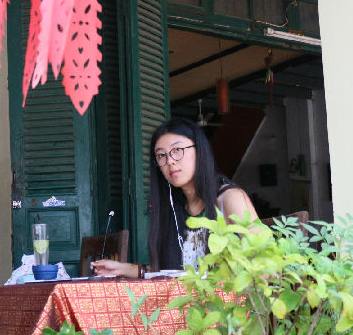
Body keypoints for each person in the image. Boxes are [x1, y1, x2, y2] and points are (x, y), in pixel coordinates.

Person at [92, 117, 258, 277]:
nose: (170, 161)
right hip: (187, 296)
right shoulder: (173, 207)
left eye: (177, 150)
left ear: (199, 151)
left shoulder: (229, 198)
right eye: (161, 155)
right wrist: (124, 269)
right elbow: (172, 273)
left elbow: (265, 265)